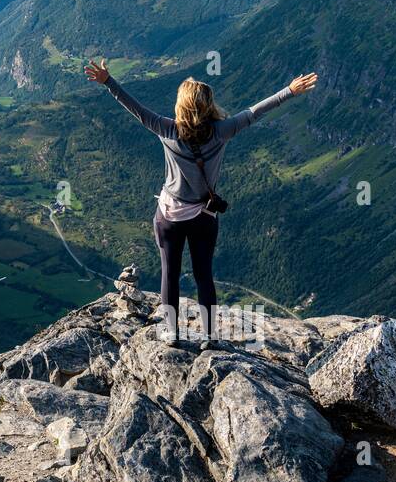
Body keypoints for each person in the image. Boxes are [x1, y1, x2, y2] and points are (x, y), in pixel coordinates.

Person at [83, 59, 317, 347]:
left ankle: (171, 331)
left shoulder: (166, 129)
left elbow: (136, 108)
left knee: (169, 272)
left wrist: (108, 82)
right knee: (203, 274)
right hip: (204, 216)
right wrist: (290, 91)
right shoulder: (222, 131)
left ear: (182, 105)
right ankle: (209, 335)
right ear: (208, 105)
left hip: (169, 214)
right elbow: (255, 111)